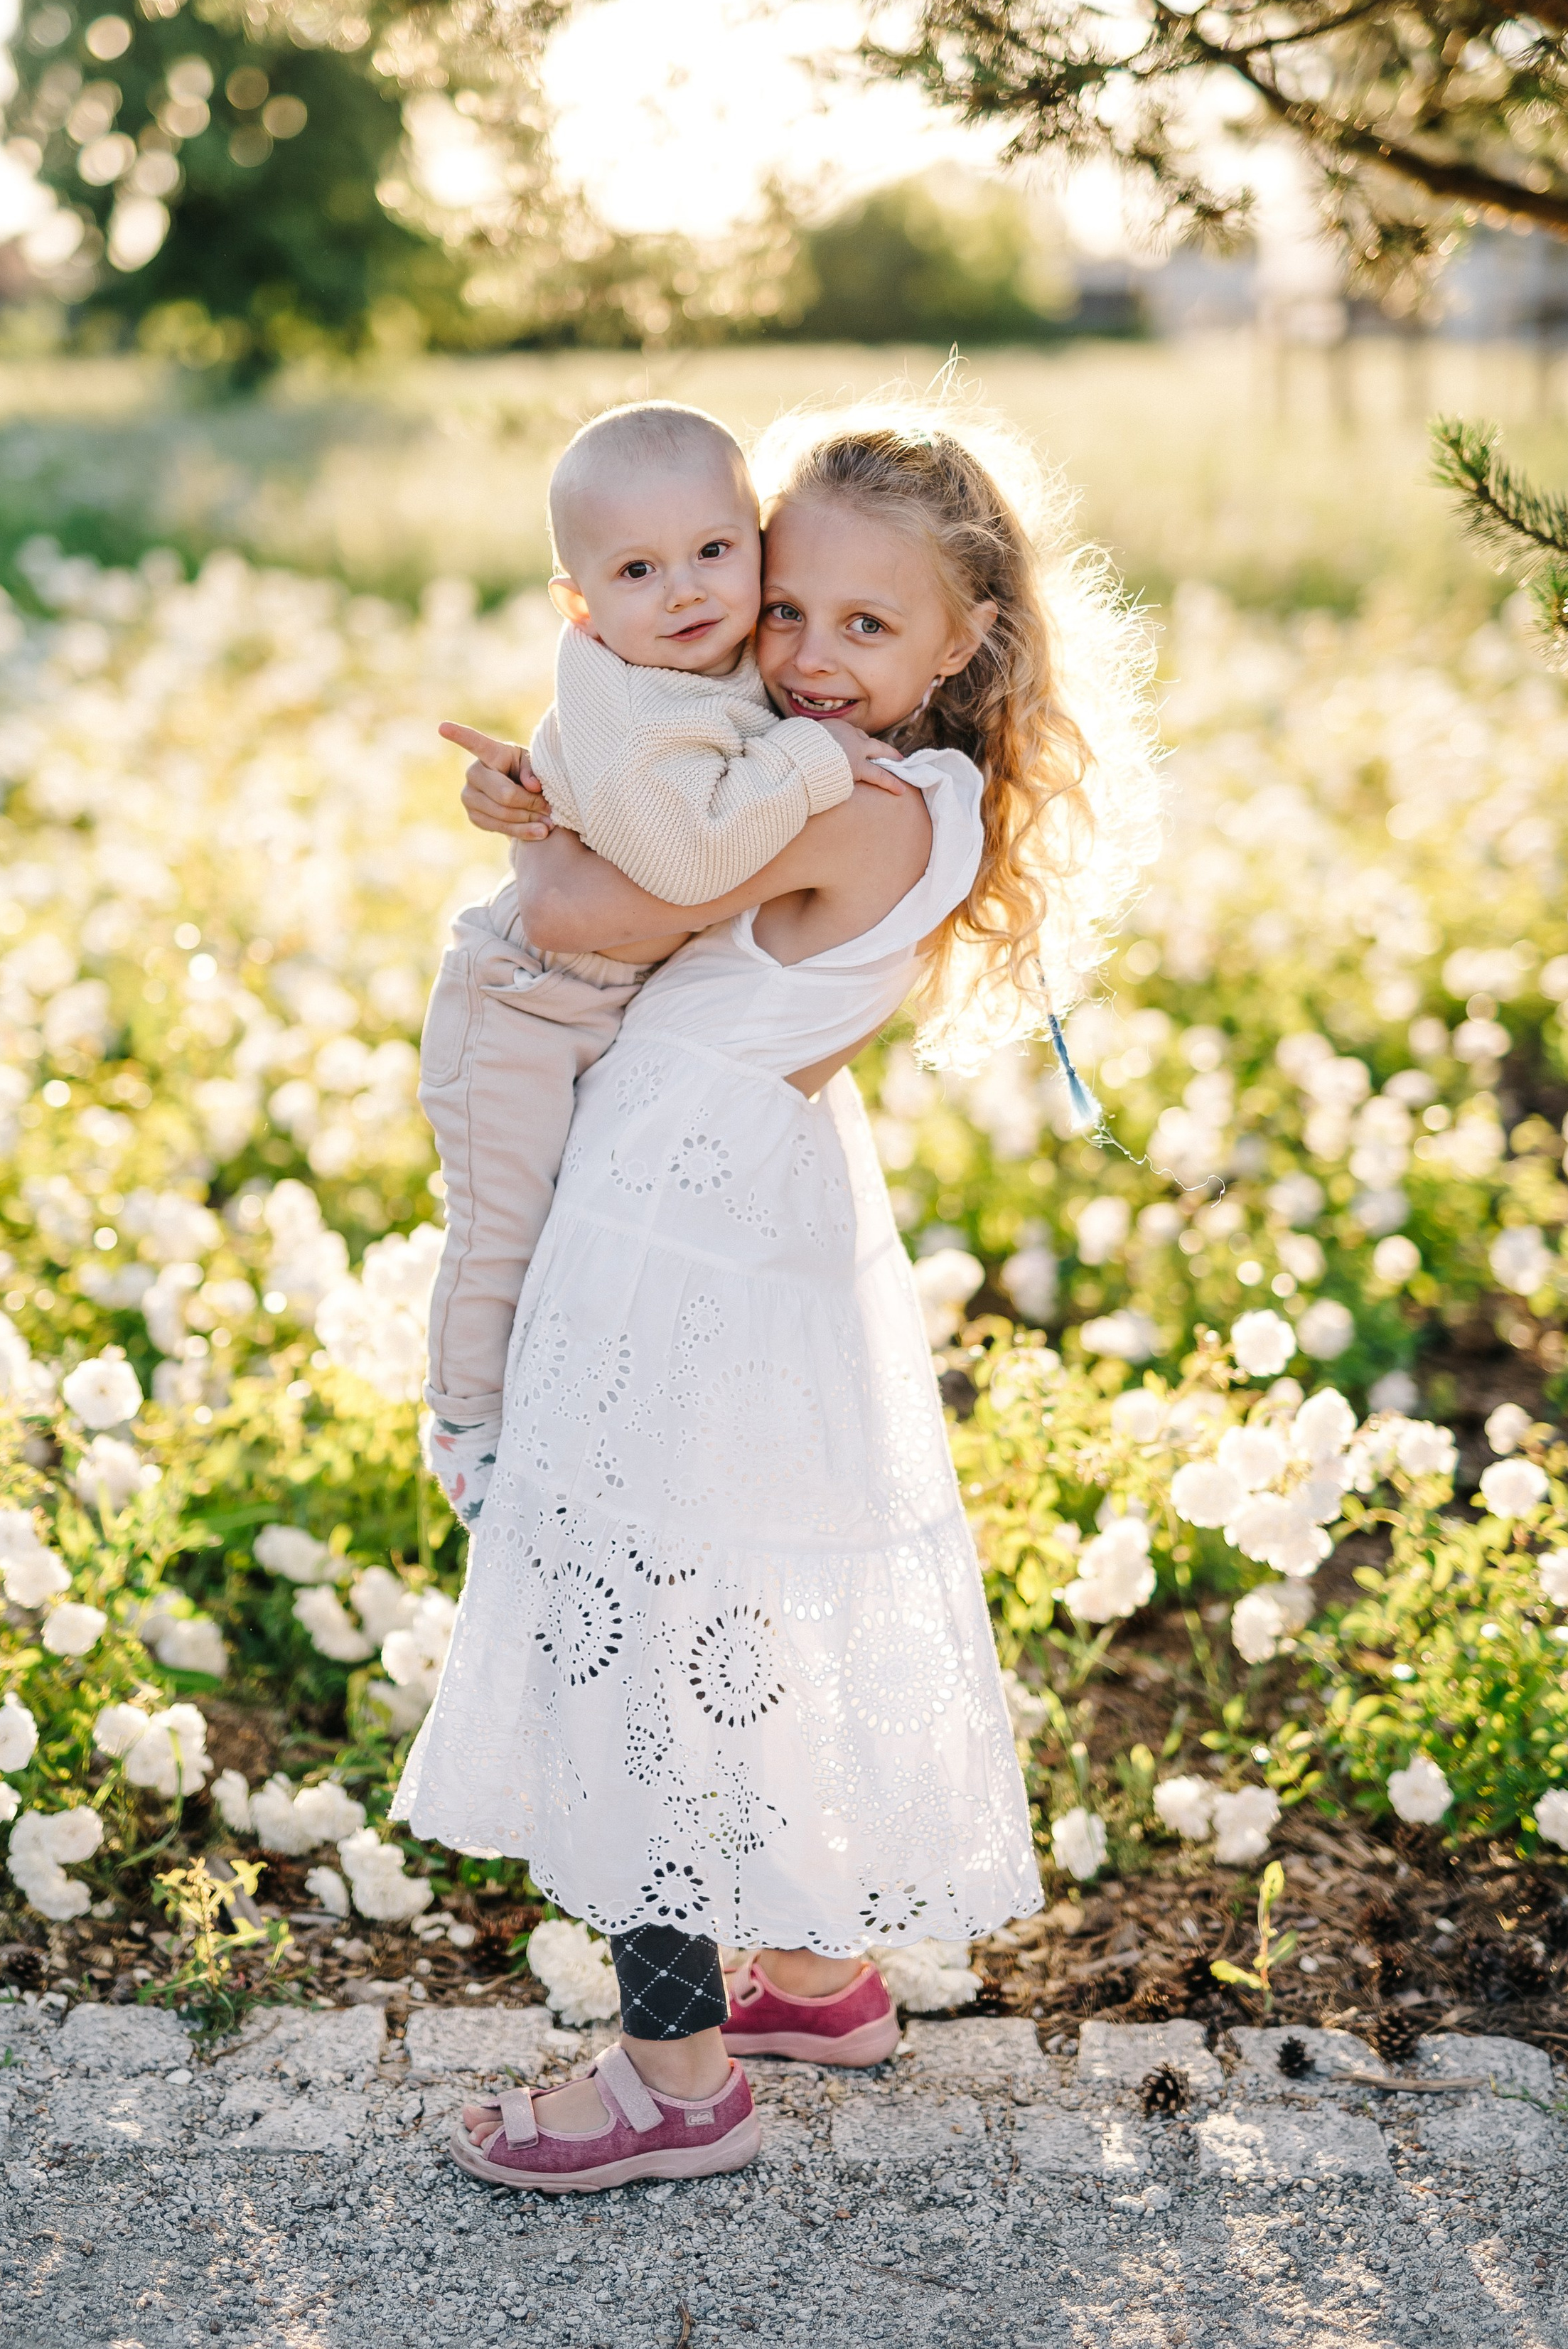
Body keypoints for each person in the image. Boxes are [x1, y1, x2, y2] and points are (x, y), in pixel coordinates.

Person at [396, 404, 1159, 2194]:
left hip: (669, 1230)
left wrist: (531, 818)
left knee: (648, 1611)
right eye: (784, 611)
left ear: (961, 640)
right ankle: (811, 1978)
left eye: (863, 628)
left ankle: (672, 2080)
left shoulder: (845, 805)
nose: (805, 661)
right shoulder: (929, 791)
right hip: (754, 1215)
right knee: (728, 1574)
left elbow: (587, 914)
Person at [419, 397, 898, 1527]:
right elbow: (688, 860)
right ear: (580, 606)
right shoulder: (636, 698)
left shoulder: (717, 659)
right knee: (504, 1230)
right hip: (523, 1007)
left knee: (577, 1242)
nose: (685, 590)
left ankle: (544, 1418)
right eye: (638, 571)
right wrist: (819, 760)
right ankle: (465, 1426)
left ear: (758, 549)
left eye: (715, 554)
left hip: (602, 999)